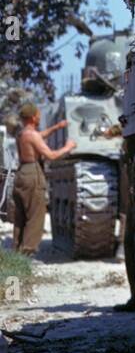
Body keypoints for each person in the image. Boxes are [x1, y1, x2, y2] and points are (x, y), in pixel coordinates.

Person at [12, 103, 76, 256]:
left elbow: (39, 136)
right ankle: (27, 253)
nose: (40, 118)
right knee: (35, 215)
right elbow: (51, 156)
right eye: (38, 115)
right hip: (33, 174)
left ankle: (17, 253)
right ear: (33, 117)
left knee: (20, 216)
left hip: (22, 172)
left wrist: (57, 127)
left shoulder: (22, 133)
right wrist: (68, 146)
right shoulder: (32, 135)